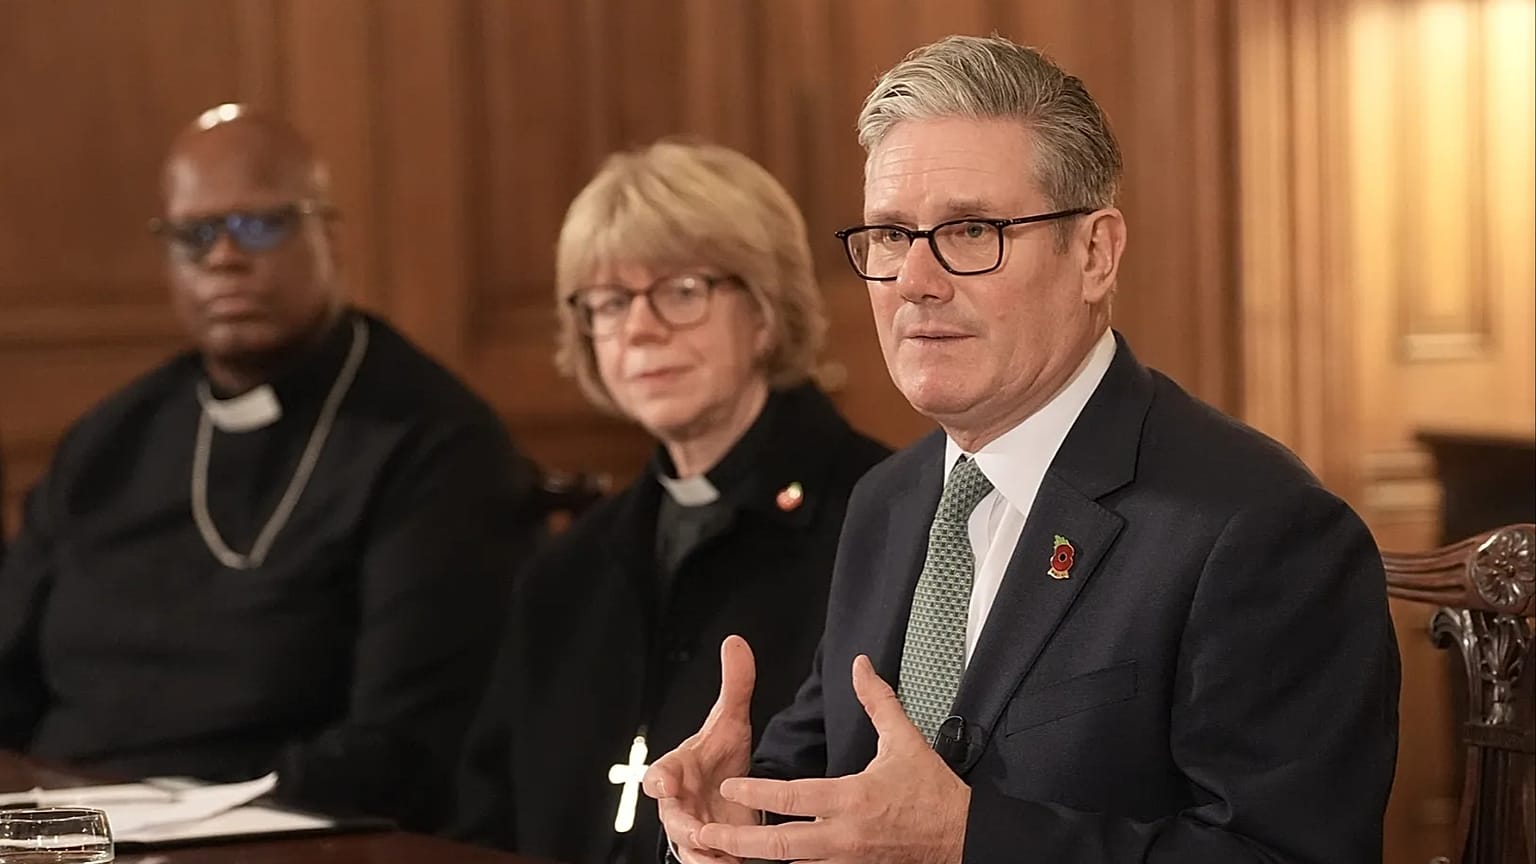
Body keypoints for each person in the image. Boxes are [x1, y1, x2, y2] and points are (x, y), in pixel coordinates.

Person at [645, 35, 1401, 864]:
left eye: (971, 230)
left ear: (1094, 253)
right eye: (892, 236)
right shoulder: (887, 499)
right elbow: (839, 785)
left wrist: (971, 840)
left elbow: (1287, 854)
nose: (915, 281)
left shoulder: (1260, 530)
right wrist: (735, 824)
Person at [0, 105, 544, 831]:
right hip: (61, 827)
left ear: (331, 234)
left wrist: (180, 818)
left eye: (260, 225)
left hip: (280, 835)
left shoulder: (433, 442)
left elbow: (405, 748)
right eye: (195, 235)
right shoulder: (109, 441)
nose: (224, 256)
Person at [452, 139, 890, 864]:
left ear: (765, 310)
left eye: (682, 291)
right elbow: (486, 819)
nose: (641, 328)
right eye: (611, 302)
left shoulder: (881, 523)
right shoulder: (568, 571)